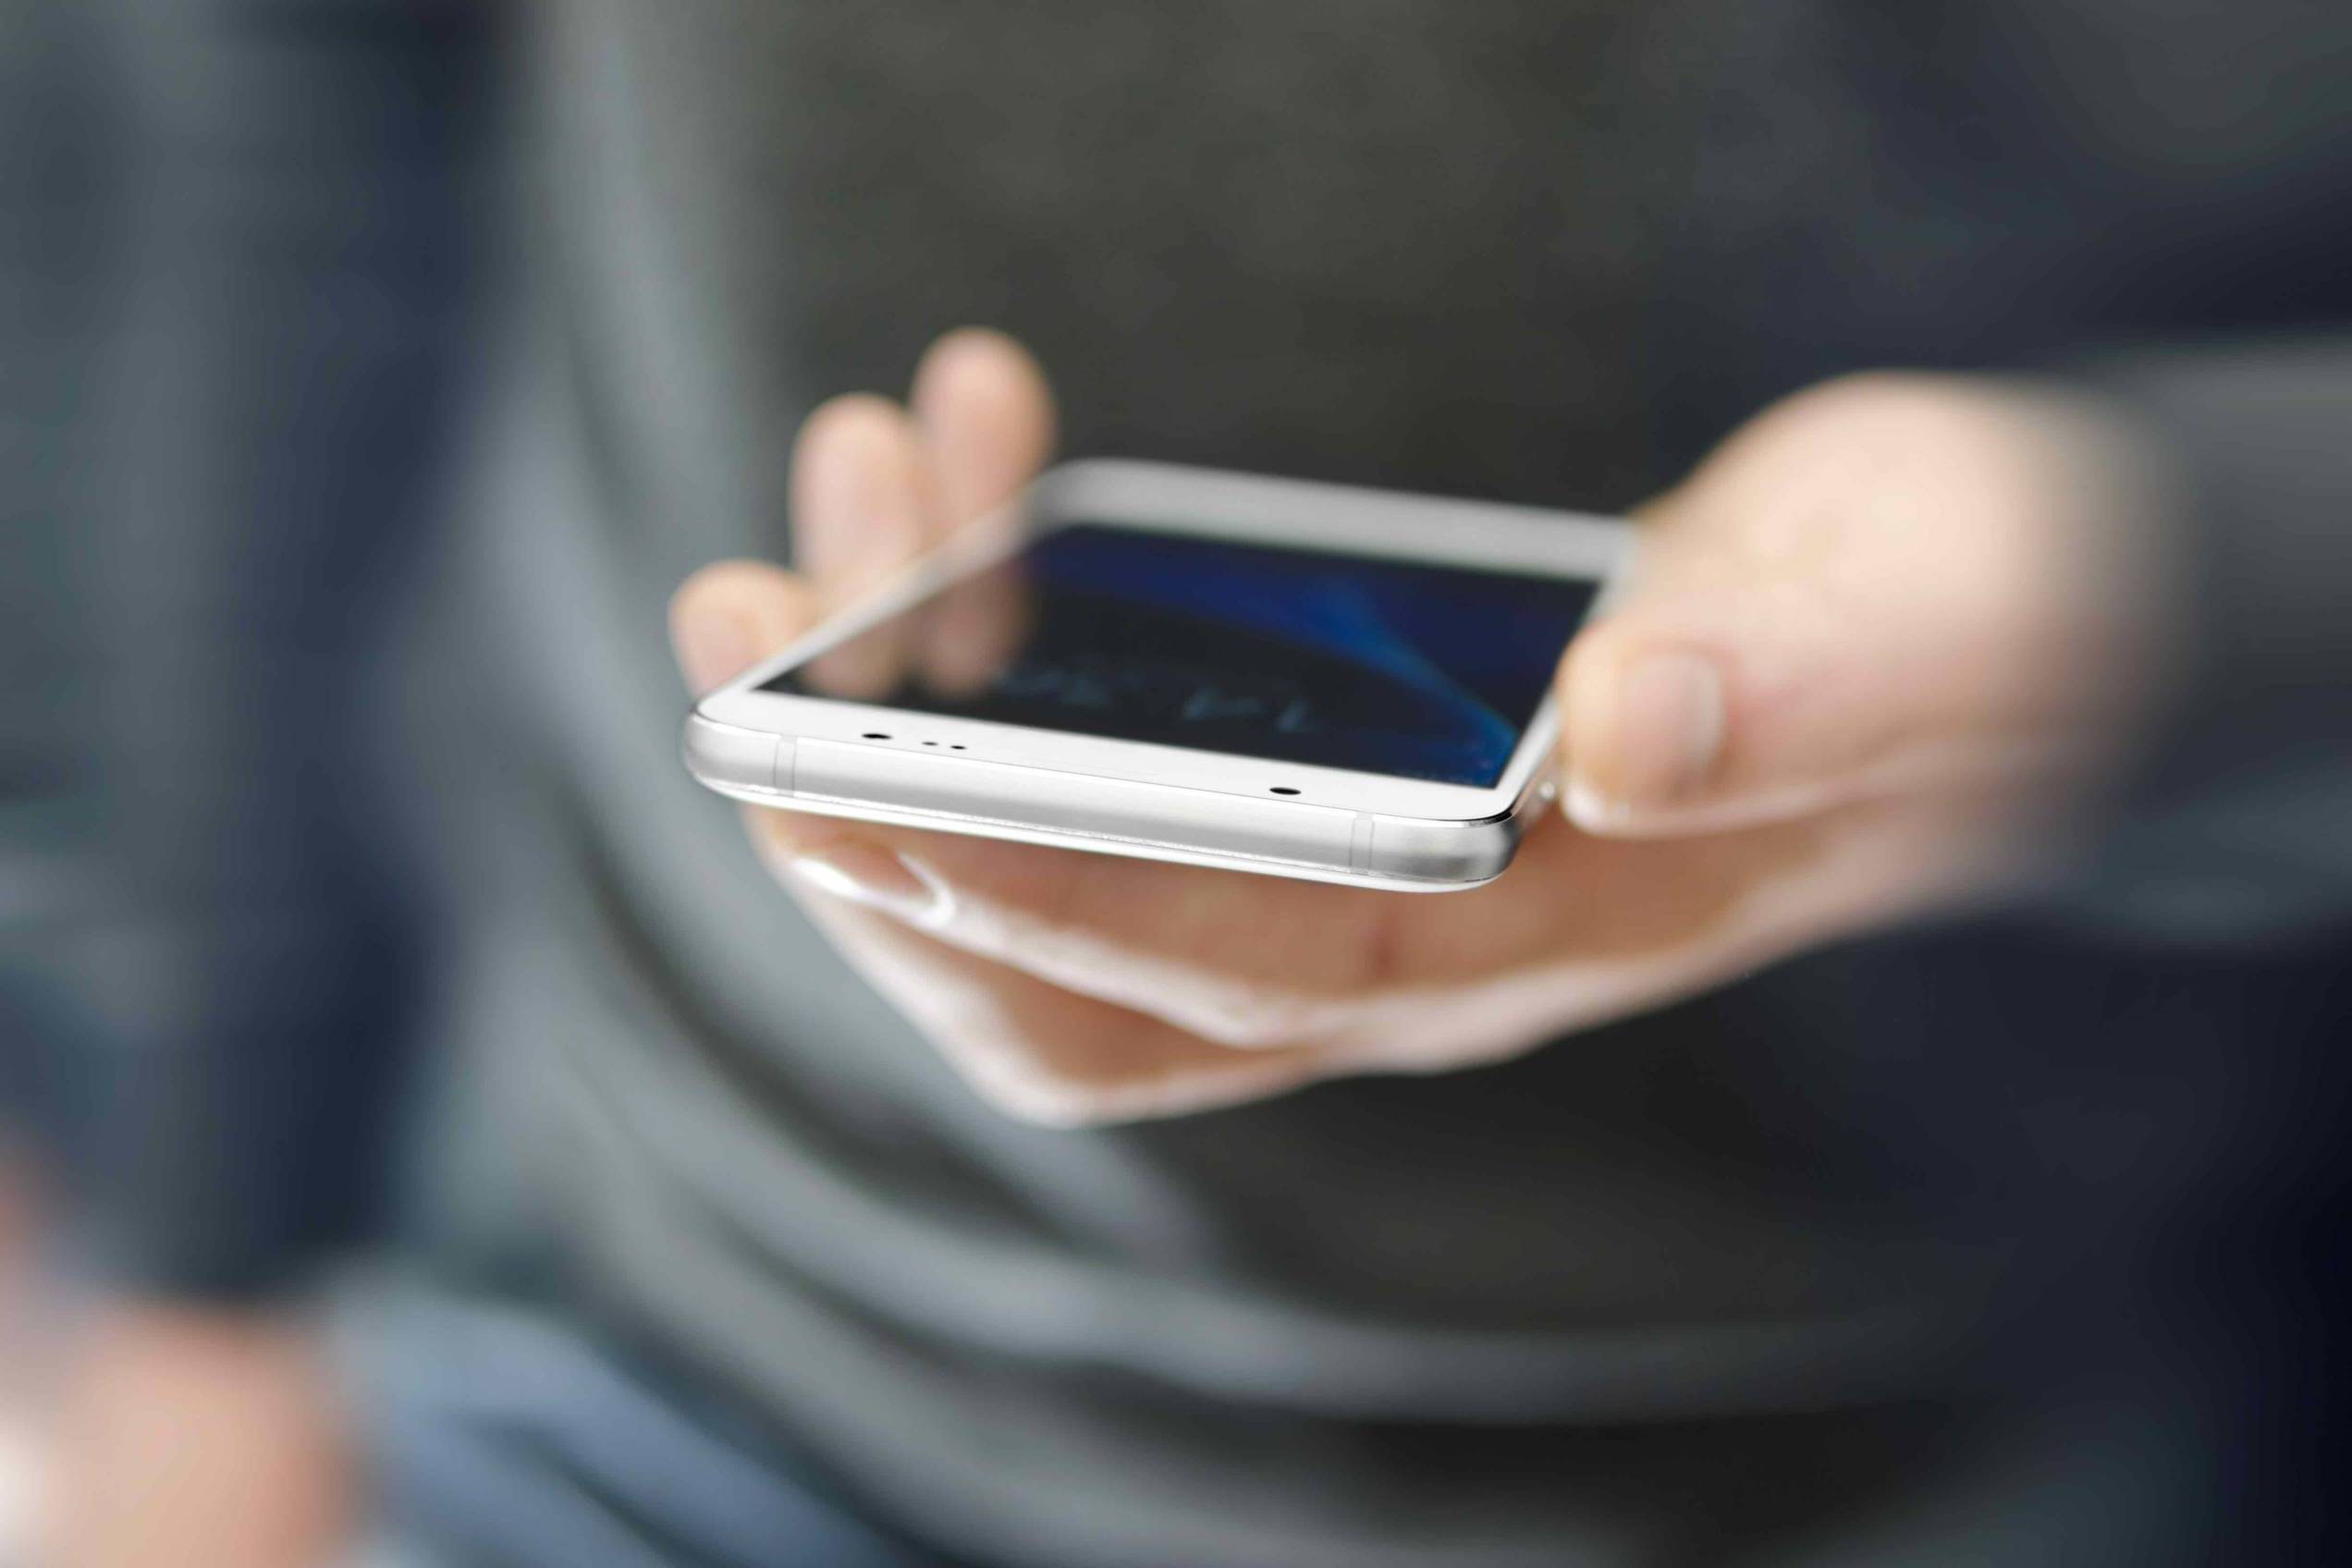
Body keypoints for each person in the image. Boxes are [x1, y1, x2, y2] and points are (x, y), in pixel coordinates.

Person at [21, 1, 2352, 1563]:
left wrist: (2162, 583)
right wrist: (207, 1241)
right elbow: (284, 110)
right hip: (641, 1335)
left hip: (1950, 1415)